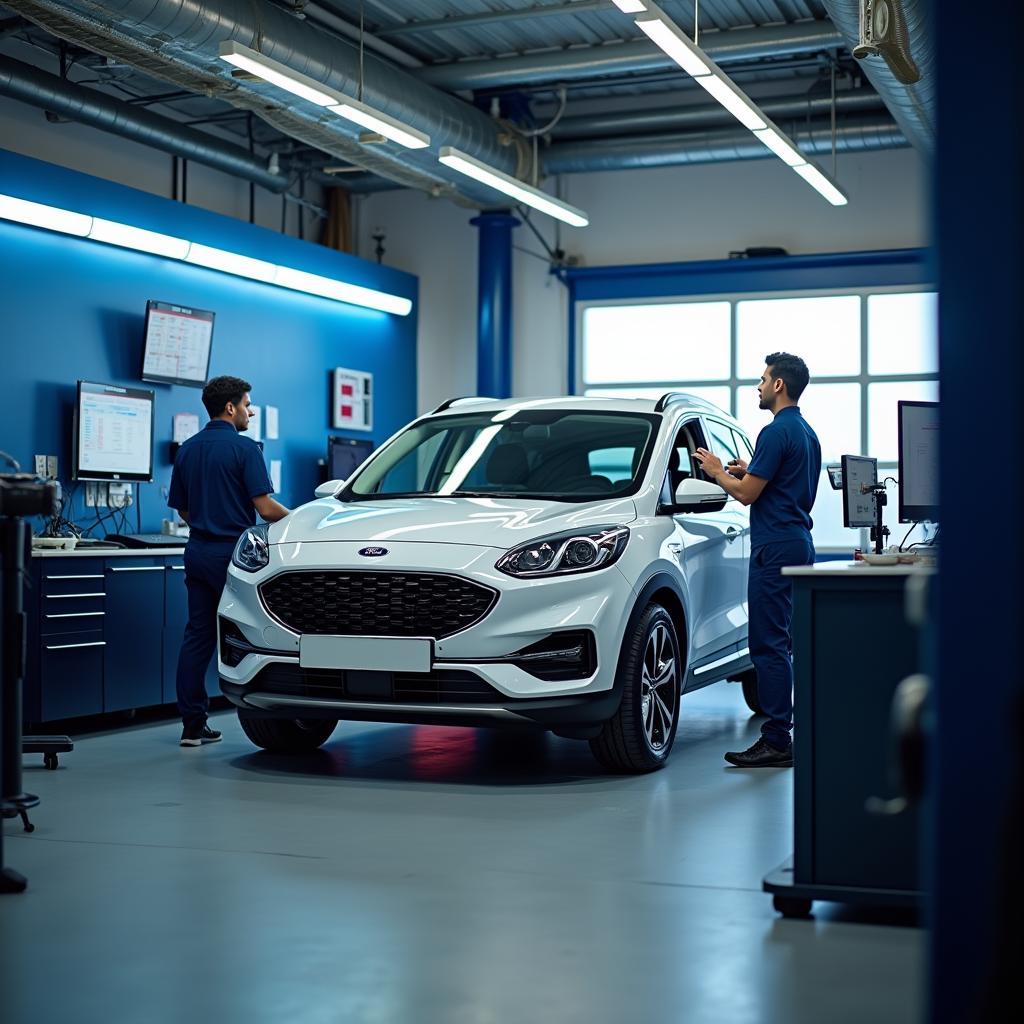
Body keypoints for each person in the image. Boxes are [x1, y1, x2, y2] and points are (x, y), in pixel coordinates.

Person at [693, 352, 821, 768]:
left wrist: (715, 470)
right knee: (783, 643)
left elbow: (747, 494)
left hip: (775, 546)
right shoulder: (805, 433)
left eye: (764, 379)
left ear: (779, 385)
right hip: (798, 541)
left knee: (767, 646)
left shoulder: (773, 432)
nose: (759, 386)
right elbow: (775, 482)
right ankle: (785, 732)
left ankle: (776, 739)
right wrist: (749, 469)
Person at [168, 376, 289, 748]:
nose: (251, 410)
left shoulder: (187, 449)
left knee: (198, 636)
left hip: (198, 552)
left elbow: (183, 509)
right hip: (235, 557)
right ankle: (272, 718)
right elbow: (266, 508)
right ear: (231, 408)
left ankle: (192, 726)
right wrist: (303, 521)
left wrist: (208, 523)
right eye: (247, 404)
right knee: (259, 632)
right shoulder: (246, 449)